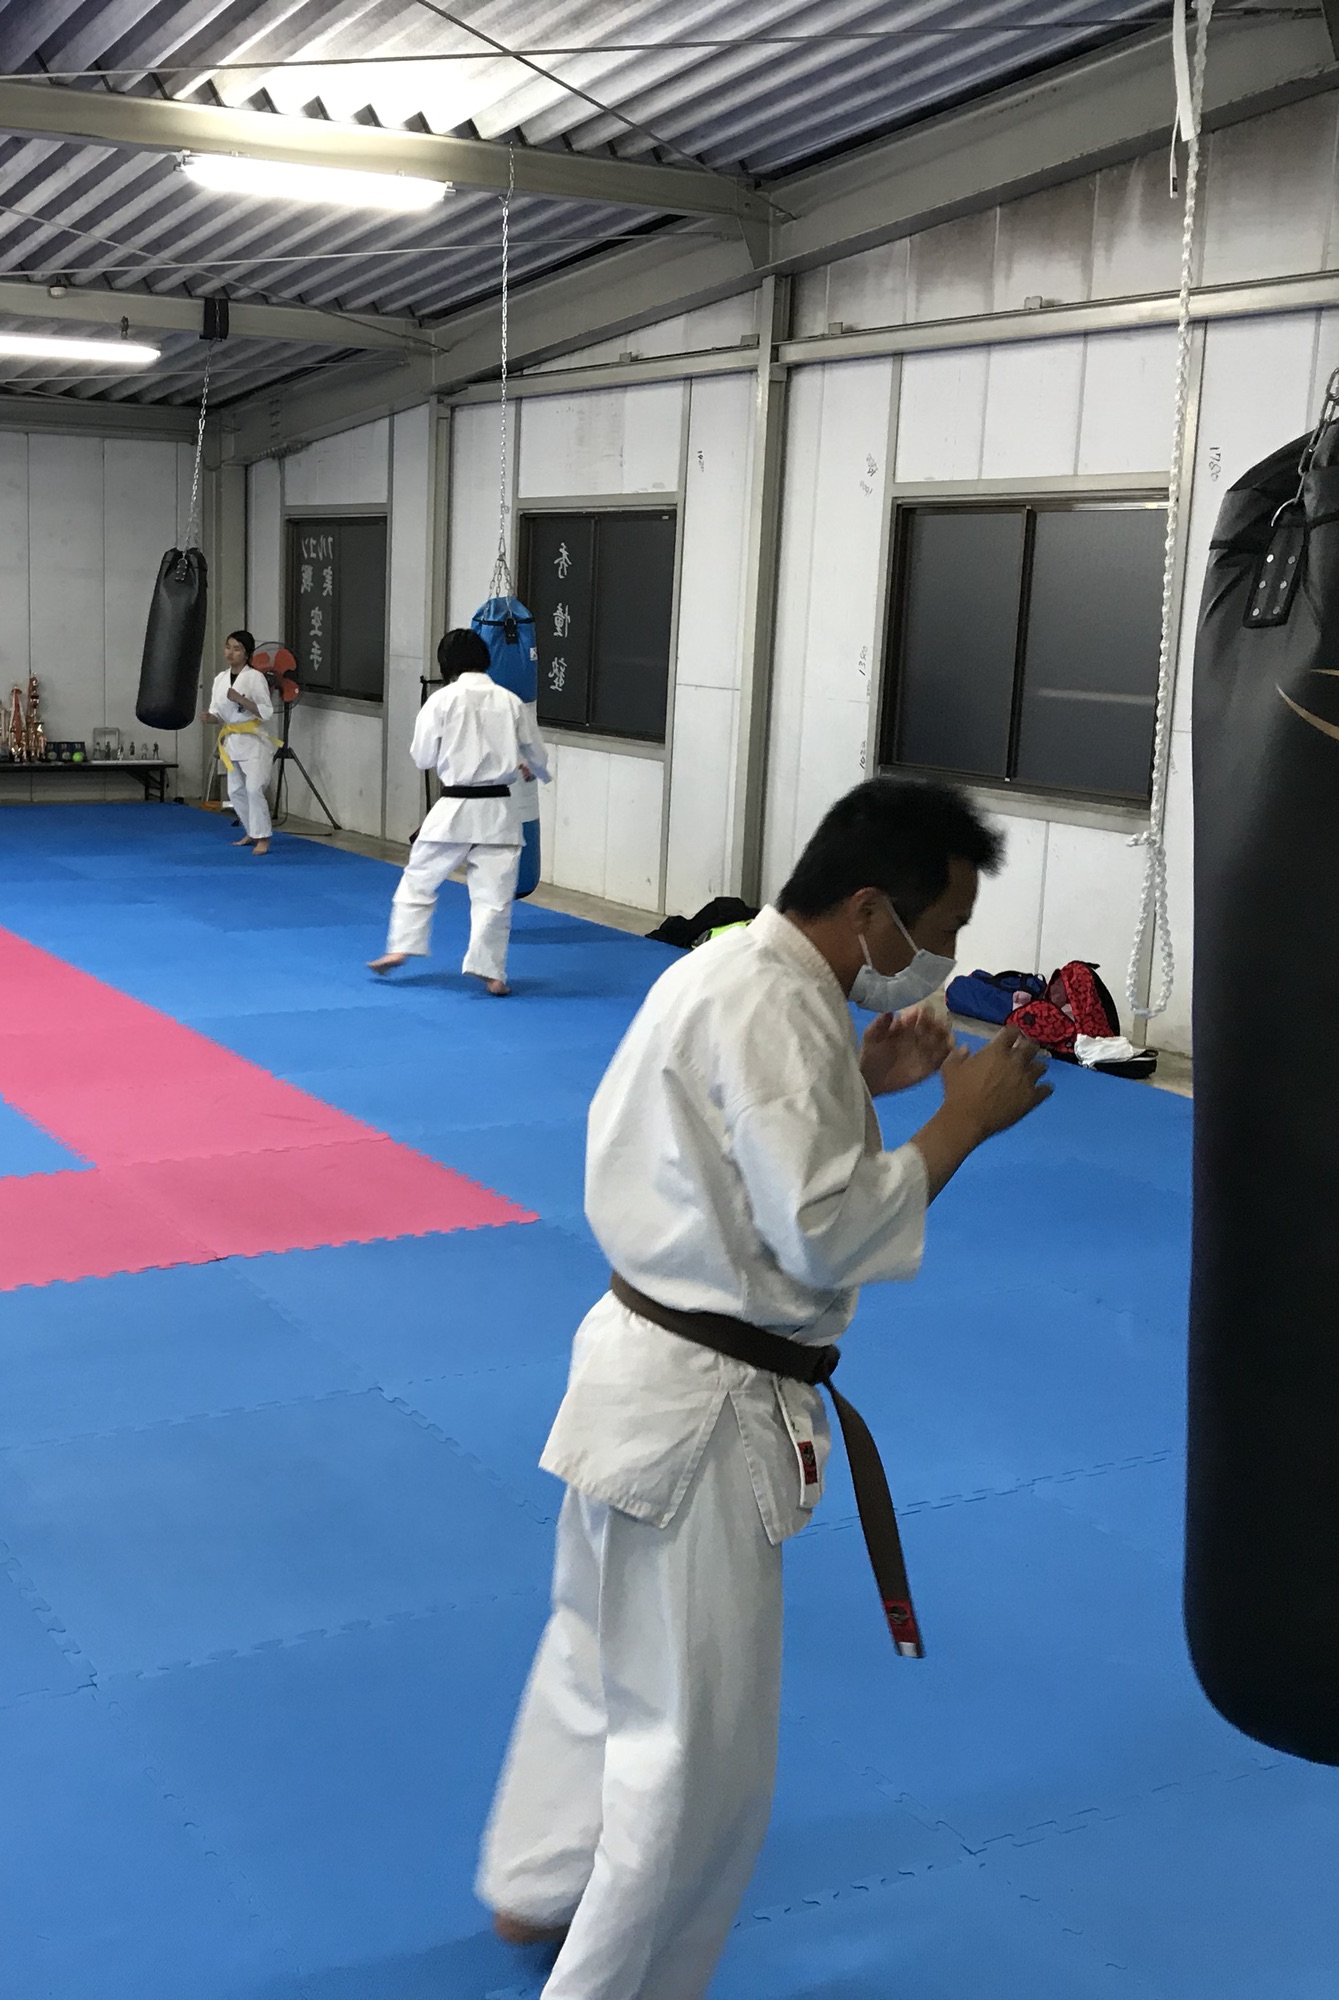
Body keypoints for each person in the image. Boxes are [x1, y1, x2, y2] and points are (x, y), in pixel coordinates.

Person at [477, 777, 1052, 2000]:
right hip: (698, 1408)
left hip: (633, 1369)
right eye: (940, 927)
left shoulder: (733, 966)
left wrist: (857, 1080)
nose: (944, 958)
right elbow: (820, 1232)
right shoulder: (777, 1006)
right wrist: (958, 1122)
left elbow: (732, 1133)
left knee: (592, 1651)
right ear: (869, 908)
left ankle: (535, 1878)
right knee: (698, 1770)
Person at [369, 628, 549, 997]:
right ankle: (492, 973)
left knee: (418, 880)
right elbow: (536, 751)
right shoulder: (510, 701)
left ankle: (401, 947)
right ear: (486, 658)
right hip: (498, 811)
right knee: (494, 898)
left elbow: (422, 757)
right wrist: (534, 769)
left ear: (446, 663)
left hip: (453, 809)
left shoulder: (441, 701)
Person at [208, 629, 275, 855]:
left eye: (237, 649)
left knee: (254, 789)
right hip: (232, 741)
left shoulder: (255, 677)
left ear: (247, 654)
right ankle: (252, 831)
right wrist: (210, 718)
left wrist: (241, 700)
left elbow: (266, 711)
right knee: (236, 791)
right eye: (228, 647)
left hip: (254, 741)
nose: (230, 653)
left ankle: (263, 837)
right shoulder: (220, 679)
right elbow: (218, 713)